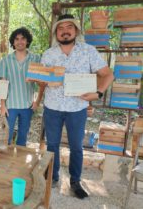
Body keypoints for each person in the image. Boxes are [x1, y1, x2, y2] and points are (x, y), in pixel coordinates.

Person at [41, 14, 114, 199]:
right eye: (61, 28)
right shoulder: (48, 54)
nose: (65, 31)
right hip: (52, 107)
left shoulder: (88, 51)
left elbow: (107, 75)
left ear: (76, 31)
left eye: (69, 27)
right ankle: (52, 178)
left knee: (76, 147)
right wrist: (37, 79)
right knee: (52, 145)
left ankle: (75, 181)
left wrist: (98, 93)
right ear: (56, 33)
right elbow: (41, 81)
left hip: (77, 109)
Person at [0, 27, 44, 146]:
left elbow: (41, 83)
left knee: (23, 137)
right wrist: (2, 105)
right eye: (17, 39)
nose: (20, 41)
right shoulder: (6, 60)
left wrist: (37, 102)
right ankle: (5, 163)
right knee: (6, 137)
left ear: (27, 41)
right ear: (13, 42)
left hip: (28, 105)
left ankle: (19, 164)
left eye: (23, 38)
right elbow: (2, 84)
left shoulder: (36, 59)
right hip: (10, 105)